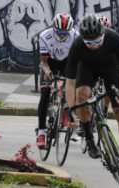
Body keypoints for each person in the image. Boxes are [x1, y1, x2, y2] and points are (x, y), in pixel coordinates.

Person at [65, 14, 119, 185]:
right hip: (87, 69)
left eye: (97, 42)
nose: (93, 46)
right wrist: (71, 110)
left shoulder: (113, 38)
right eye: (89, 43)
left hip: (111, 68)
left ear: (103, 34)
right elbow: (70, 83)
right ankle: (89, 138)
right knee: (82, 95)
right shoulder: (77, 45)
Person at [36, 12, 79, 148]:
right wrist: (48, 72)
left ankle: (67, 114)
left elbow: (77, 62)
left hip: (67, 62)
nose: (61, 35)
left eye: (65, 33)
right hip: (50, 62)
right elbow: (43, 62)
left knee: (70, 88)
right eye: (59, 32)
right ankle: (41, 132)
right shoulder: (44, 36)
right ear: (54, 27)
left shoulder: (76, 36)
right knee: (45, 94)